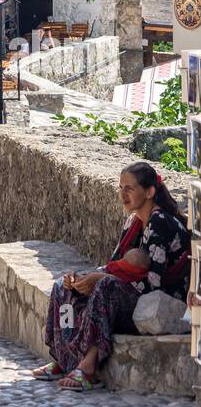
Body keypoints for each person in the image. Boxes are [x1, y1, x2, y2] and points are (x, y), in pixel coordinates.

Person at [37, 161, 190, 390]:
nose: (122, 194)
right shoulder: (134, 221)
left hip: (160, 302)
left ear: (149, 192)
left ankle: (89, 368)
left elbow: (153, 285)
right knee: (63, 287)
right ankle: (64, 358)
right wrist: (83, 278)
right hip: (131, 291)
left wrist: (101, 279)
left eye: (129, 188)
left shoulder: (160, 223)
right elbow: (115, 264)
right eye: (120, 188)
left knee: (105, 288)